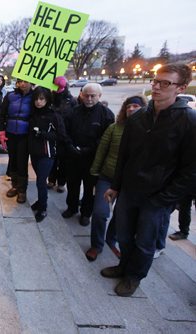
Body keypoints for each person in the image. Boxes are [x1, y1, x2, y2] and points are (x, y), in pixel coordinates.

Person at [101, 63, 196, 297]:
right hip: (130, 191)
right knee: (123, 234)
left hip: (158, 197)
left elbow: (191, 170)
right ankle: (124, 266)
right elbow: (124, 155)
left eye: (165, 83)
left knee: (145, 242)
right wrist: (115, 186)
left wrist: (165, 199)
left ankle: (134, 277)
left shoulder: (188, 121)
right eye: (155, 81)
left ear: (180, 87)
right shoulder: (139, 116)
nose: (156, 87)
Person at [85, 95, 147, 261]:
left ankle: (111, 239)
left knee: (121, 216)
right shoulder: (114, 128)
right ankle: (96, 245)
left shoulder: (150, 129)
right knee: (99, 212)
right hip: (108, 177)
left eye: (135, 106)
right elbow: (101, 151)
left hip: (130, 182)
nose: (131, 109)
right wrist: (94, 172)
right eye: (128, 106)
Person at [62, 83, 114, 226]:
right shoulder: (73, 112)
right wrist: (71, 147)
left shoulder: (106, 114)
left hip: (93, 159)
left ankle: (86, 213)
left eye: (93, 96)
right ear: (81, 95)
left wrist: (88, 149)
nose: (89, 99)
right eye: (86, 95)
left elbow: (105, 138)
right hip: (73, 156)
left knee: (89, 188)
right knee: (72, 185)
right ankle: (71, 207)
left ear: (99, 96)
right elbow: (65, 132)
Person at [28, 86, 65, 221]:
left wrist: (43, 134)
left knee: (40, 181)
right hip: (34, 153)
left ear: (47, 99)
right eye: (36, 99)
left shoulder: (53, 115)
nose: (38, 102)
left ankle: (43, 208)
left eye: (42, 99)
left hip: (47, 154)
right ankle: (40, 201)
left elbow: (61, 135)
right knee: (40, 180)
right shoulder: (33, 113)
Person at [0, 78, 32, 202]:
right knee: (13, 160)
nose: (23, 83)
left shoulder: (35, 96)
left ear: (31, 82)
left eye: (25, 81)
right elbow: (1, 114)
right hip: (10, 133)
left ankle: (22, 190)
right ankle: (15, 186)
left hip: (25, 135)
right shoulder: (10, 96)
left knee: (22, 162)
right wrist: (1, 131)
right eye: (20, 81)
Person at [48, 76, 76, 193]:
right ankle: (51, 179)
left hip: (66, 135)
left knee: (63, 161)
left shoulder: (71, 100)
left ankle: (61, 182)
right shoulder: (50, 99)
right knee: (52, 159)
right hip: (52, 134)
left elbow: (75, 117)